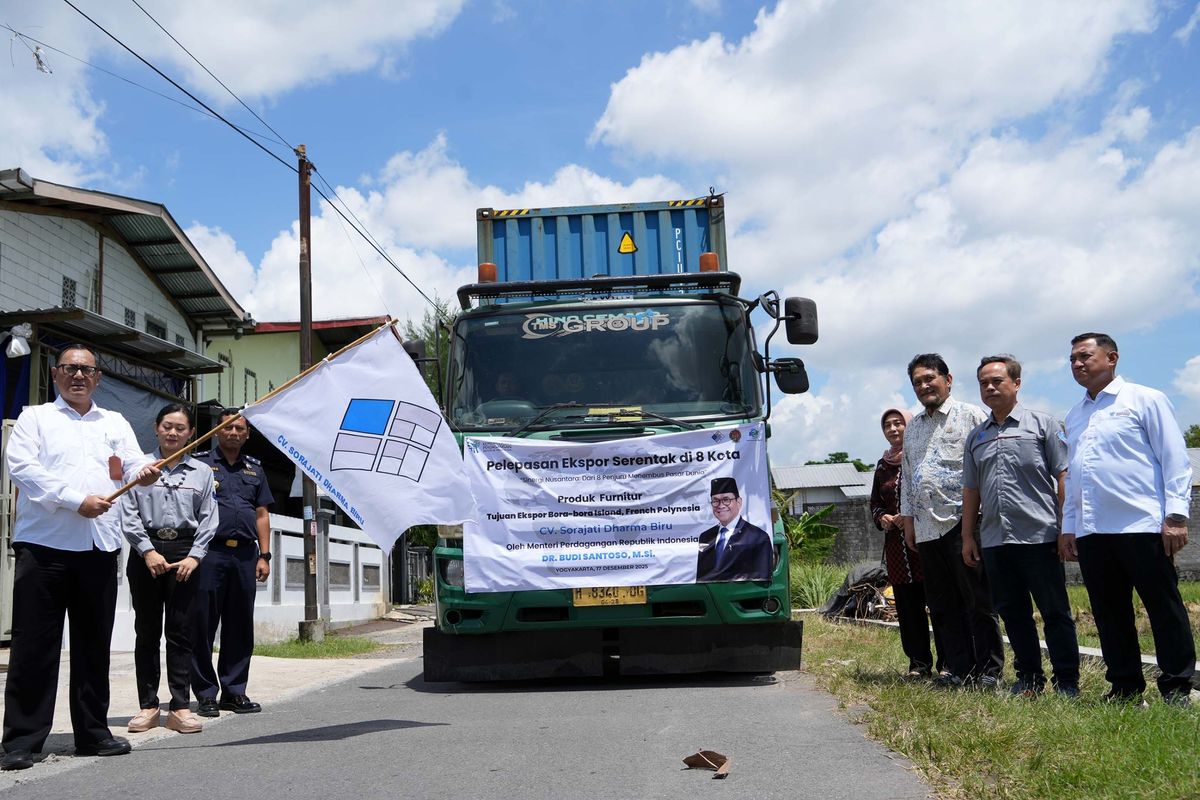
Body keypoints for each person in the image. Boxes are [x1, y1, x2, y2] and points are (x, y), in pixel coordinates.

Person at [2, 345, 159, 771]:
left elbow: (132, 462)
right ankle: (21, 740)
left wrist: (145, 470)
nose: (78, 376)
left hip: (99, 547)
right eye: (70, 368)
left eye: (86, 370)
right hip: (45, 546)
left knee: (94, 647)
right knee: (35, 647)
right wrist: (76, 500)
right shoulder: (36, 417)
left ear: (98, 378)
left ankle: (93, 733)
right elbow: (22, 468)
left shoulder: (115, 421)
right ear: (55, 374)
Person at [1060, 333, 1195, 705]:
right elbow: (1074, 476)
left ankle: (1177, 687)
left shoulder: (1145, 399)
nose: (1077, 364)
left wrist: (1177, 517)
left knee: (1163, 608)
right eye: (1072, 359)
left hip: (1141, 525)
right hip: (1092, 532)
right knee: (1109, 613)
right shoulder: (1074, 415)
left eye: (1085, 356)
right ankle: (1124, 686)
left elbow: (1174, 459)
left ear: (1112, 357)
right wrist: (1070, 526)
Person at [961, 356, 1080, 698]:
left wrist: (1065, 527)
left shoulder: (1043, 425)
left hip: (1040, 536)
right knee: (1013, 613)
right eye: (984, 382)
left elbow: (1063, 476)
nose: (990, 387)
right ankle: (1029, 678)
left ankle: (1067, 682)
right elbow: (971, 490)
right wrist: (969, 536)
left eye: (997, 380)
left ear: (1016, 383)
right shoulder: (977, 437)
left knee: (1055, 612)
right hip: (996, 540)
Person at [899, 353, 1003, 690]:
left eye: (930, 378)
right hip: (927, 528)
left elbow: (989, 467)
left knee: (978, 600)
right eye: (917, 381)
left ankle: (990, 671)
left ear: (948, 379)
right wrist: (910, 521)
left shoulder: (971, 415)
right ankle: (960, 669)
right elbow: (908, 474)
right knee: (943, 605)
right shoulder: (913, 426)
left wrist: (982, 521)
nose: (924, 385)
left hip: (965, 524)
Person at [121, 404, 218, 734]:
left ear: (191, 433)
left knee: (180, 633)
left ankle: (179, 706)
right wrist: (146, 551)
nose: (173, 432)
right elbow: (128, 513)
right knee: (146, 632)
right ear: (157, 428)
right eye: (167, 426)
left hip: (185, 554)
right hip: (146, 553)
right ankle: (148, 706)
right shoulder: (140, 469)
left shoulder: (202, 473)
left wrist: (195, 556)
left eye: (180, 427)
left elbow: (208, 518)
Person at [192, 409, 274, 717]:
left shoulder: (255, 469)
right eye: (228, 427)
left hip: (244, 555)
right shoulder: (200, 464)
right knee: (202, 624)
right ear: (216, 431)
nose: (234, 433)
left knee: (239, 625)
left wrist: (264, 555)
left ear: (247, 434)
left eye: (240, 428)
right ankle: (205, 694)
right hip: (208, 554)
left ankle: (234, 691)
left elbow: (262, 513)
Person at [870, 407, 942, 679]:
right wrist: (884, 518)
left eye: (898, 423)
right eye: (887, 425)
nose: (893, 429)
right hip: (896, 550)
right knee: (908, 608)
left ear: (909, 425)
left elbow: (932, 493)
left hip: (924, 542)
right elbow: (875, 503)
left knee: (938, 604)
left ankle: (947, 663)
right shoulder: (881, 465)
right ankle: (919, 664)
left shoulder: (922, 455)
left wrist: (909, 514)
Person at [696, 477, 772, 582]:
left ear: (739, 502)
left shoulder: (758, 537)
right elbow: (701, 578)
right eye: (715, 501)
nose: (720, 505)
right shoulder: (705, 536)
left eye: (726, 500)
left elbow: (762, 580)